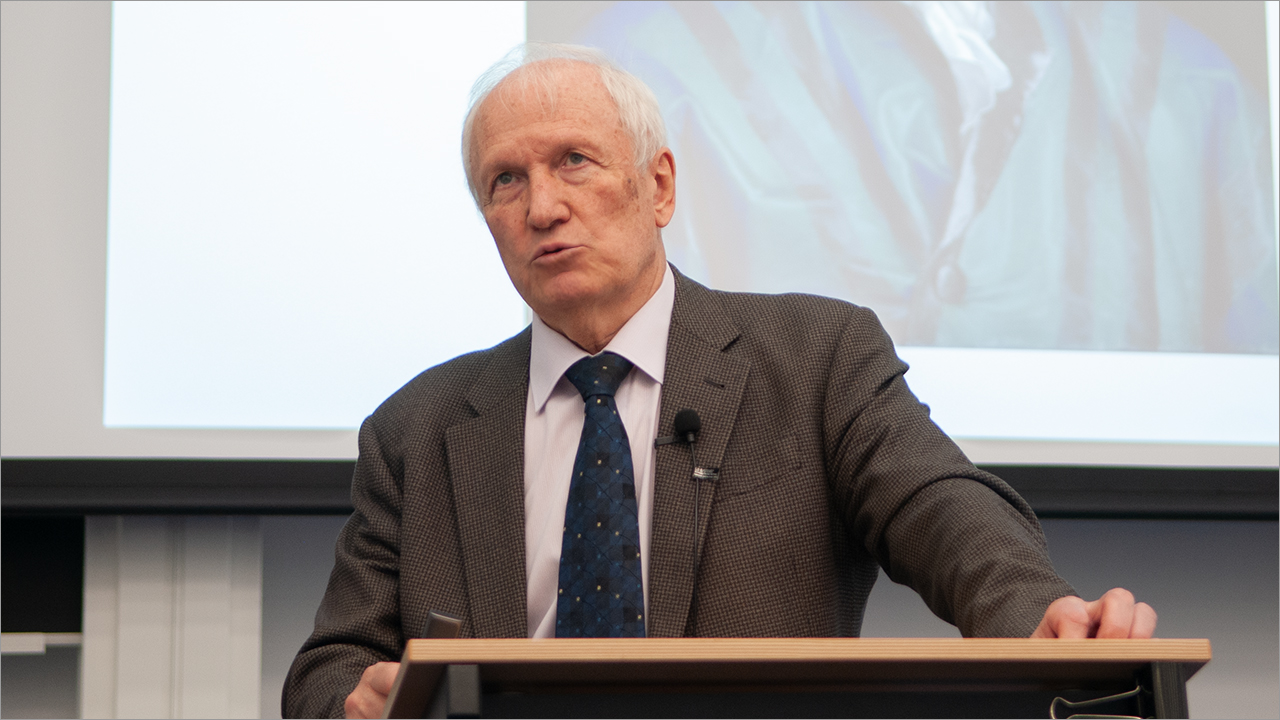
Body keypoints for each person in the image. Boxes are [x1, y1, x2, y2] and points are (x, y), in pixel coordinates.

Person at [283, 44, 1156, 720]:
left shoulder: (815, 358)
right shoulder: (418, 429)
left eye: (574, 161)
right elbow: (329, 667)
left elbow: (941, 507)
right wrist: (355, 699)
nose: (541, 207)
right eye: (505, 181)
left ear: (658, 186)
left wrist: (1036, 612)